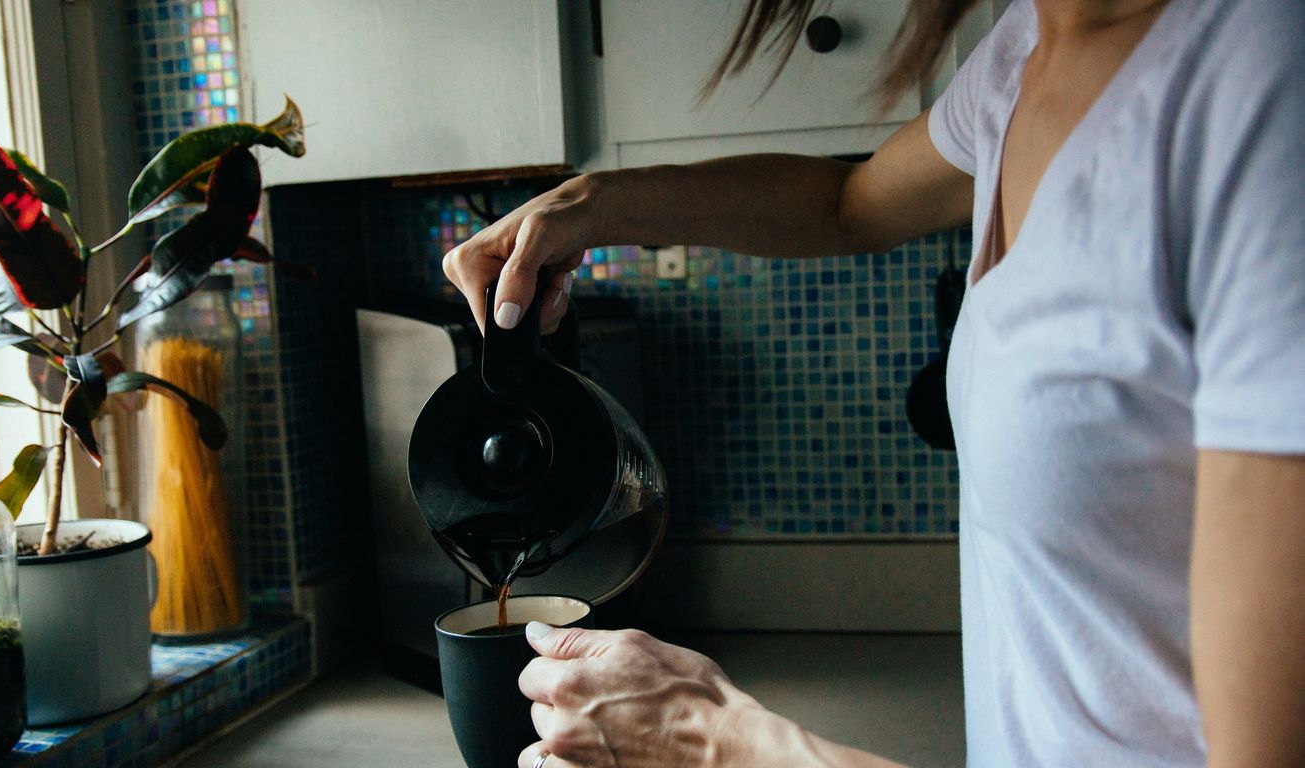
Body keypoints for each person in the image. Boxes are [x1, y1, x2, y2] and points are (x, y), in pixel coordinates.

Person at [441, 0, 1305, 765]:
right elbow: (848, 202)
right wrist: (590, 203)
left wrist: (724, 744)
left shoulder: (1259, 78)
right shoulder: (1030, 42)